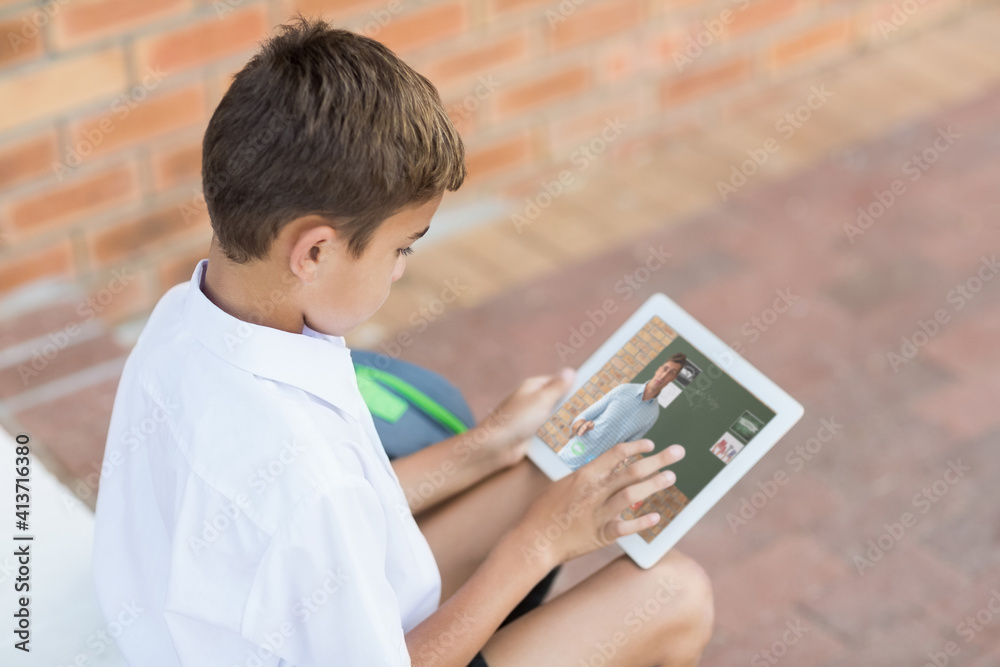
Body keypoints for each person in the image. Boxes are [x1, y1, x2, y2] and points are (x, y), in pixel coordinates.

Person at [91, 18, 714, 667]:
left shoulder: (183, 319)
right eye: (401, 246)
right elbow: (319, 508)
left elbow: (333, 511)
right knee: (675, 596)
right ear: (315, 250)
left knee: (538, 470)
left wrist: (487, 443)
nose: (401, 268)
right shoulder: (304, 476)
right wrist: (539, 544)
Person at [558, 353, 688, 469]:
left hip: (592, 472)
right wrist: (581, 426)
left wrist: (620, 459)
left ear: (673, 379)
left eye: (671, 373)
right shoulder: (623, 390)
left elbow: (626, 449)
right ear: (658, 369)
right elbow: (580, 419)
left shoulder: (653, 415)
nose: (664, 375)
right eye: (665, 369)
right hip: (569, 458)